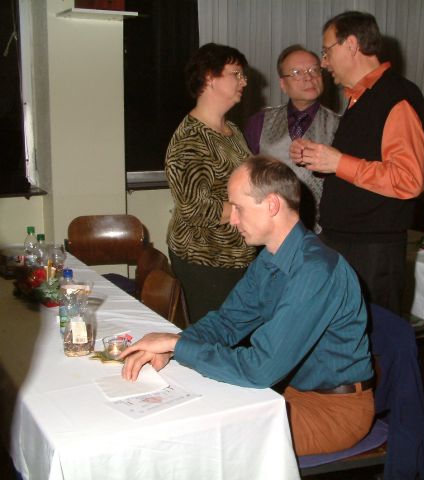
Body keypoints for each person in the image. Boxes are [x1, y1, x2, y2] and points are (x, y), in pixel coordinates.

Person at [121, 156, 375, 456]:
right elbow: (227, 322)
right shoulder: (270, 258)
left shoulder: (316, 271)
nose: (232, 219)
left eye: (238, 207)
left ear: (272, 205)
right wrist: (175, 344)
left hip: (334, 411)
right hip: (289, 392)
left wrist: (178, 345)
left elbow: (260, 368)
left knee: (211, 442)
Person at [289, 11, 424, 313]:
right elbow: (364, 163)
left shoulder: (397, 96)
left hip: (372, 253)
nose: (324, 63)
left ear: (351, 45)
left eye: (327, 51)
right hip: (348, 243)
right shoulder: (361, 97)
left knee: (374, 336)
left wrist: (338, 162)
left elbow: (408, 179)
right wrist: (322, 159)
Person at [165, 43, 255, 321]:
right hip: (206, 258)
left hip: (238, 256)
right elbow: (196, 208)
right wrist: (252, 211)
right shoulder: (190, 138)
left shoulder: (232, 130)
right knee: (214, 337)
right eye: (236, 74)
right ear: (209, 77)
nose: (244, 81)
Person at [244, 45, 340, 233]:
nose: (309, 77)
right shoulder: (259, 122)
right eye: (297, 72)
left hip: (322, 231)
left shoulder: (340, 125)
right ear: (283, 84)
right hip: (268, 229)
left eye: (314, 70)